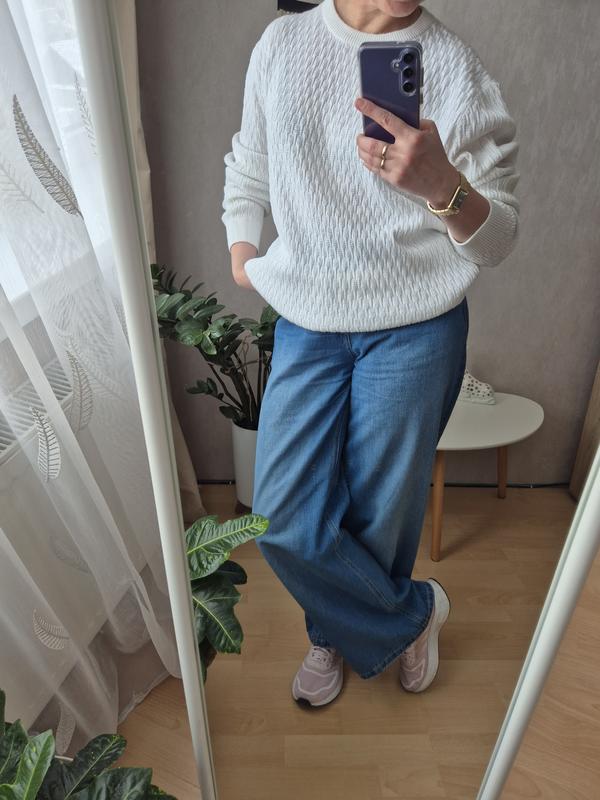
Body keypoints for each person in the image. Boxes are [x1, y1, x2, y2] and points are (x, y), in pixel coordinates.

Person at [221, 0, 519, 708]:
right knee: (282, 517)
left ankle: (330, 636)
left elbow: (499, 239)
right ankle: (412, 616)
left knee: (382, 513)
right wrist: (241, 247)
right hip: (308, 318)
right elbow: (250, 161)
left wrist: (442, 186)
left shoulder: (456, 69)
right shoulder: (282, 44)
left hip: (418, 324)